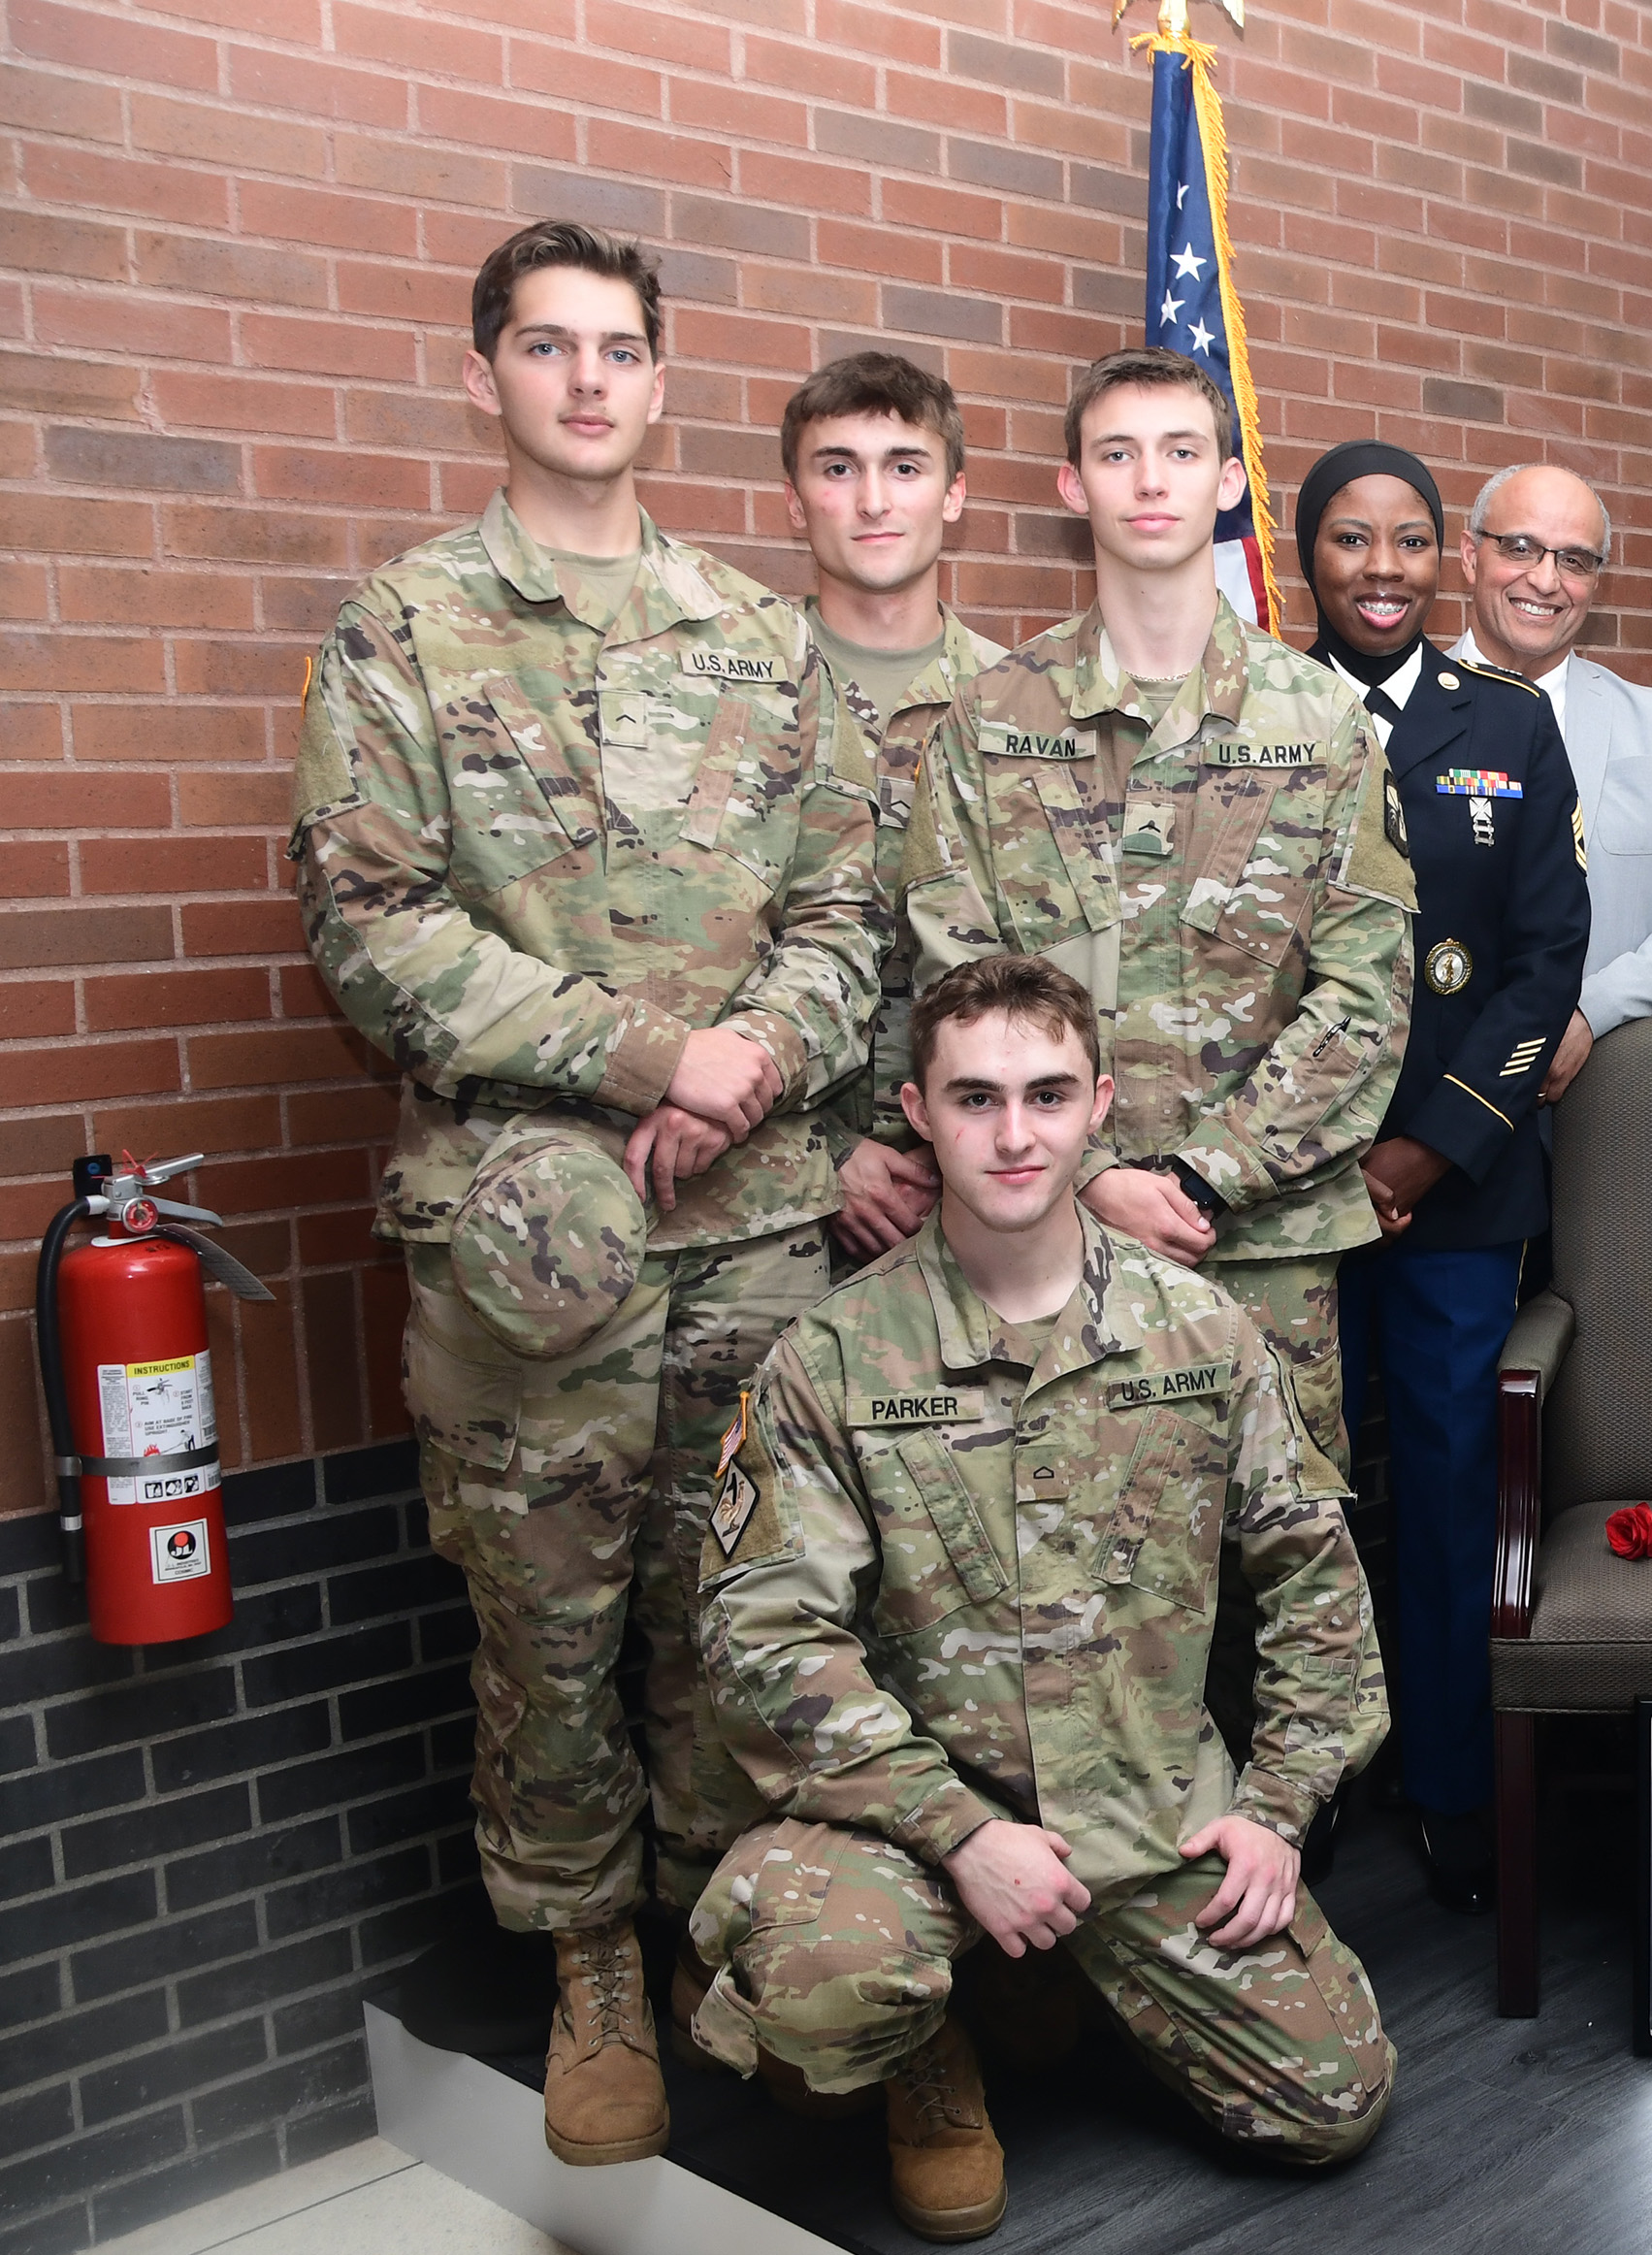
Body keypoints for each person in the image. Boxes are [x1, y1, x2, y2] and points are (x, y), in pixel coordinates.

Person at [289, 221, 880, 2167]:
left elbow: (843, 909)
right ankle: (589, 1963)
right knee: (548, 1624)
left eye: (619, 347)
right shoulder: (409, 629)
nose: (588, 379)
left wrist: (749, 1068)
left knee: (746, 1609)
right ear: (486, 377)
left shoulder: (755, 630)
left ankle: (744, 1936)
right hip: (533, 1247)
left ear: (661, 373)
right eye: (547, 348)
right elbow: (371, 929)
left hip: (758, 1227)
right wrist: (645, 1058)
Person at [690, 956, 1393, 2242]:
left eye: (1048, 1095)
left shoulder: (1205, 1337)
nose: (1014, 1136)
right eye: (974, 1099)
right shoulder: (832, 1360)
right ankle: (925, 2038)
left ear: (1098, 1105)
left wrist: (1279, 1809)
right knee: (816, 1987)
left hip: (1143, 1807)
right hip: (918, 1828)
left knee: (1331, 2102)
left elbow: (1315, 1587)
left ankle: (1042, 1980)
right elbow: (762, 1638)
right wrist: (957, 1832)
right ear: (917, 1111)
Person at [902, 346, 1417, 1481]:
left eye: (1181, 452)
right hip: (1039, 1243)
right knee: (1061, 1595)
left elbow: (1367, 993)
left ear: (1228, 482)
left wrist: (1196, 1177)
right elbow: (953, 980)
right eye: (1117, 453)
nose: (1150, 480)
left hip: (1259, 1252)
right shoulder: (990, 723)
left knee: (1272, 1591)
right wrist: (1088, 1174)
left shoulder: (1320, 722)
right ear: (1070, 485)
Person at [1297, 440, 1590, 1912]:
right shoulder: (1257, 710)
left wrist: (1431, 1144)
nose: (1383, 569)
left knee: (1456, 1484)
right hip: (1283, 1192)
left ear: (1447, 561)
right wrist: (1314, 1157)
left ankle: (1452, 1782)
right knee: (1287, 1489)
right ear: (1308, 556)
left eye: (1410, 541)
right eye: (1352, 541)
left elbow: (1546, 961)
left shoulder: (1512, 726)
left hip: (1455, 1185)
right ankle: (1297, 1786)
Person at [780, 351, 1010, 1266]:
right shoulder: (729, 692)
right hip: (760, 1199)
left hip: (990, 1187)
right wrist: (821, 1155)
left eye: (905, 467)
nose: (874, 500)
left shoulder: (1022, 706)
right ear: (797, 501)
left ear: (954, 493)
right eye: (838, 468)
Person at [1448, 463, 1652, 1088]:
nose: (1546, 580)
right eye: (1521, 548)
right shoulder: (1390, 717)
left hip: (1603, 1101)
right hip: (1424, 1098)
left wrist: (1588, 1014)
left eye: (1576, 561)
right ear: (1470, 556)